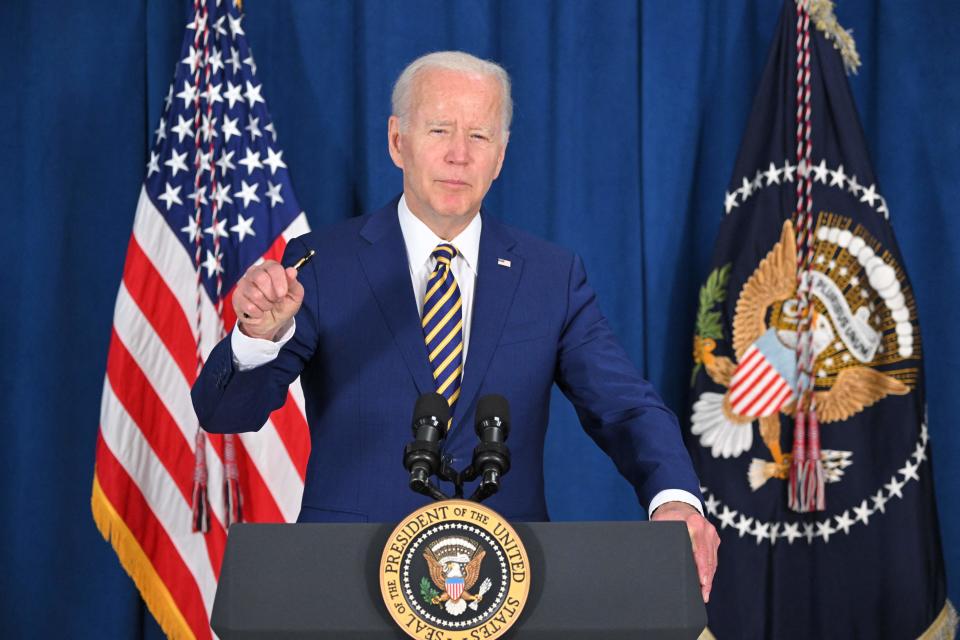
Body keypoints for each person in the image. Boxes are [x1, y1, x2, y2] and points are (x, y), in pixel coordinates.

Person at [192, 51, 719, 601]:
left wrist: (675, 499)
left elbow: (624, 406)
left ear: (502, 156)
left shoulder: (550, 277)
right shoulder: (321, 264)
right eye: (440, 129)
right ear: (398, 141)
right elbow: (225, 412)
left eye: (480, 137)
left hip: (505, 589)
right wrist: (256, 338)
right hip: (349, 585)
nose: (459, 155)